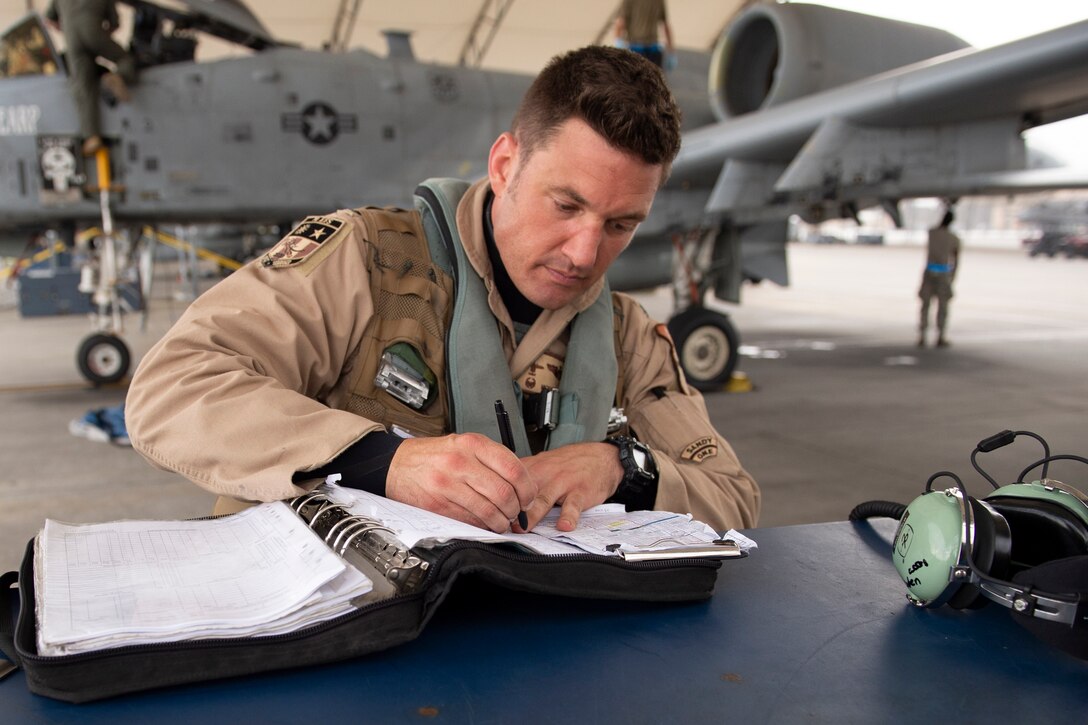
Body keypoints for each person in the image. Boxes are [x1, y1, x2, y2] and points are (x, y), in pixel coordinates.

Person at [126, 46, 760, 534]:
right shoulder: (364, 260)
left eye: (621, 225)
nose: (586, 253)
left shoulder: (624, 333)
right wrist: (384, 462)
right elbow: (173, 388)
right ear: (506, 164)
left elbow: (733, 496)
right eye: (566, 205)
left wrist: (623, 469)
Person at [46, 0, 136, 155]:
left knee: (83, 86)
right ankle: (119, 76)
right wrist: (100, 37)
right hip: (93, 31)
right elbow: (114, 24)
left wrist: (67, 27)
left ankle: (91, 137)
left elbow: (50, 20)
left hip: (71, 38)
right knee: (125, 59)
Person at [918, 209, 960, 348]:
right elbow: (956, 260)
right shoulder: (953, 238)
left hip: (929, 272)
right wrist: (952, 277)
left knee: (925, 305)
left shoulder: (932, 233)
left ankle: (922, 336)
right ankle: (940, 336)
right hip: (942, 274)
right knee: (942, 307)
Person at [613, 0, 674, 69]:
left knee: (635, 78)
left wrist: (618, 42)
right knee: (654, 78)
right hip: (653, 48)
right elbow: (665, 26)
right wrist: (671, 51)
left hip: (635, 48)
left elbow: (621, 23)